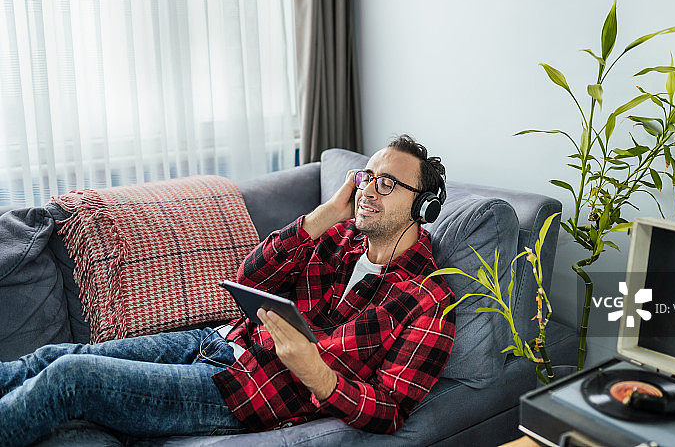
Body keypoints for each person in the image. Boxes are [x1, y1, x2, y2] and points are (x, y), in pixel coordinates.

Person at [0, 134, 456, 446]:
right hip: (221, 340)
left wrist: (319, 375)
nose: (369, 191)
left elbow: (392, 409)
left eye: (388, 184)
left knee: (71, 380)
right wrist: (320, 218)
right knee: (52, 356)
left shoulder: (429, 300)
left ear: (423, 205)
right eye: (366, 178)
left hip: (249, 390)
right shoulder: (338, 236)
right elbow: (251, 279)